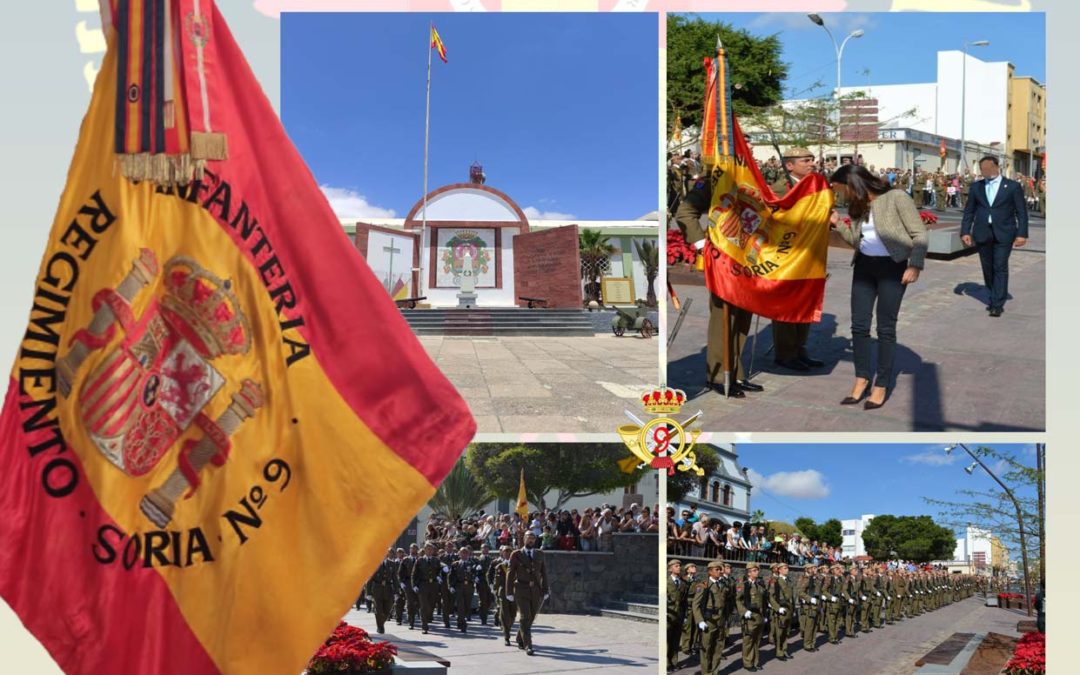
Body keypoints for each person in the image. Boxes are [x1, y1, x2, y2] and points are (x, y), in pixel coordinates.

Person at [830, 164, 928, 410]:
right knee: (859, 326)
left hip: (892, 268)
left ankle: (881, 384)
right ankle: (861, 379)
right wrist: (837, 224)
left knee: (885, 327)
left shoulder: (895, 198)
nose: (841, 195)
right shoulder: (858, 206)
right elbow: (855, 240)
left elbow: (919, 234)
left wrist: (915, 265)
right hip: (864, 267)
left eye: (841, 189)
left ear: (853, 184)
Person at [675, 175, 763, 398]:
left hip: (747, 258)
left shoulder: (750, 176)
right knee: (723, 317)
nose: (749, 150)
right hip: (722, 259)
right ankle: (718, 374)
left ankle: (736, 372)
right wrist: (703, 246)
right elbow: (685, 213)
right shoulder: (714, 179)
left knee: (743, 316)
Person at [771, 147, 827, 372]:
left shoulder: (814, 185)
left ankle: (799, 349)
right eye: (806, 160)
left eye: (812, 160)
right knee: (786, 305)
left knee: (806, 301)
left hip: (809, 254)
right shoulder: (779, 188)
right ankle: (785, 353)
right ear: (790, 165)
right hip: (786, 254)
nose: (811, 164)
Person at [960, 155, 1029, 317]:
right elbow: (969, 211)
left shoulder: (1012, 187)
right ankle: (994, 293)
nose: (985, 172)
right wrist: (965, 231)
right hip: (982, 232)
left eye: (988, 168)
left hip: (1004, 233)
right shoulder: (977, 187)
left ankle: (997, 303)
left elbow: (1021, 212)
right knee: (987, 268)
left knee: (1000, 266)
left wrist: (1022, 234)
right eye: (982, 169)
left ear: (997, 167)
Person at [506, 531, 549, 656]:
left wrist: (545, 589)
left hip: (535, 590)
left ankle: (520, 637)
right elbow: (510, 573)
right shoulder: (516, 554)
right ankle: (528, 645)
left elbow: (544, 573)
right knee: (525, 616)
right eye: (528, 538)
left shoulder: (540, 554)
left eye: (532, 538)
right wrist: (509, 592)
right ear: (524, 539)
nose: (530, 540)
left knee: (531, 617)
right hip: (521, 589)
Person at [693, 560, 726, 674]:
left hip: (720, 620)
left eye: (720, 569)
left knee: (718, 647)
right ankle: (706, 672)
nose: (719, 572)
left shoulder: (722, 584)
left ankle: (715, 671)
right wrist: (700, 620)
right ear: (710, 572)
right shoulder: (704, 585)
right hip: (709, 619)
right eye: (716, 570)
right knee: (706, 648)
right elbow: (695, 605)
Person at [736, 562, 768, 671]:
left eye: (757, 570)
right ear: (749, 573)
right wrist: (744, 611)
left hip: (759, 616)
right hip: (749, 617)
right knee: (748, 641)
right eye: (754, 570)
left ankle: (755, 661)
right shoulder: (743, 584)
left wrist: (765, 614)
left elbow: (764, 600)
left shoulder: (759, 585)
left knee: (757, 640)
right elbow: (737, 600)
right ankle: (748, 663)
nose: (757, 572)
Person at [412, 543, 444, 635]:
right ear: (424, 550)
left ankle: (427, 616)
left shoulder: (436, 560)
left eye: (431, 549)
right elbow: (414, 574)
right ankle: (424, 626)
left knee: (431, 605)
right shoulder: (420, 560)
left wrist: (439, 576)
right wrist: (414, 585)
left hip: (433, 585)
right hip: (423, 585)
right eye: (428, 549)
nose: (430, 551)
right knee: (424, 606)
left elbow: (439, 570)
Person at [489, 545, 516, 646]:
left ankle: (508, 626)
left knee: (513, 614)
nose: (507, 553)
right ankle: (507, 636)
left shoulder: (516, 565)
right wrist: (494, 589)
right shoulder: (499, 566)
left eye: (509, 552)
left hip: (513, 592)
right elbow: (496, 580)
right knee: (505, 614)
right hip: (503, 593)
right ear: (503, 553)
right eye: (505, 552)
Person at [769, 562, 796, 661]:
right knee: (779, 632)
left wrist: (793, 608)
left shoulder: (788, 580)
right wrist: (777, 608)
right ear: (779, 570)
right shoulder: (775, 580)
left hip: (788, 608)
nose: (787, 570)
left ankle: (784, 650)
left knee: (786, 631)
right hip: (781, 609)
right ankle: (779, 652)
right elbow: (770, 596)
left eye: (787, 568)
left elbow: (791, 596)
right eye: (785, 568)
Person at [370, 548, 398, 634]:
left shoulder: (392, 564)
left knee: (387, 609)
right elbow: (370, 578)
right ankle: (380, 627)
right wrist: (368, 592)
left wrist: (396, 592)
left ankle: (380, 624)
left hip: (388, 589)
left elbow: (395, 579)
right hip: (377, 589)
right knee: (378, 610)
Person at [667, 560, 687, 671]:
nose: (679, 567)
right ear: (670, 569)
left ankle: (674, 662)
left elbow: (684, 601)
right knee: (667, 640)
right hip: (669, 614)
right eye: (676, 566)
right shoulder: (666, 581)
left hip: (679, 614)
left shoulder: (683, 582)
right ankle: (666, 664)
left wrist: (685, 615)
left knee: (675, 640)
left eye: (679, 566)